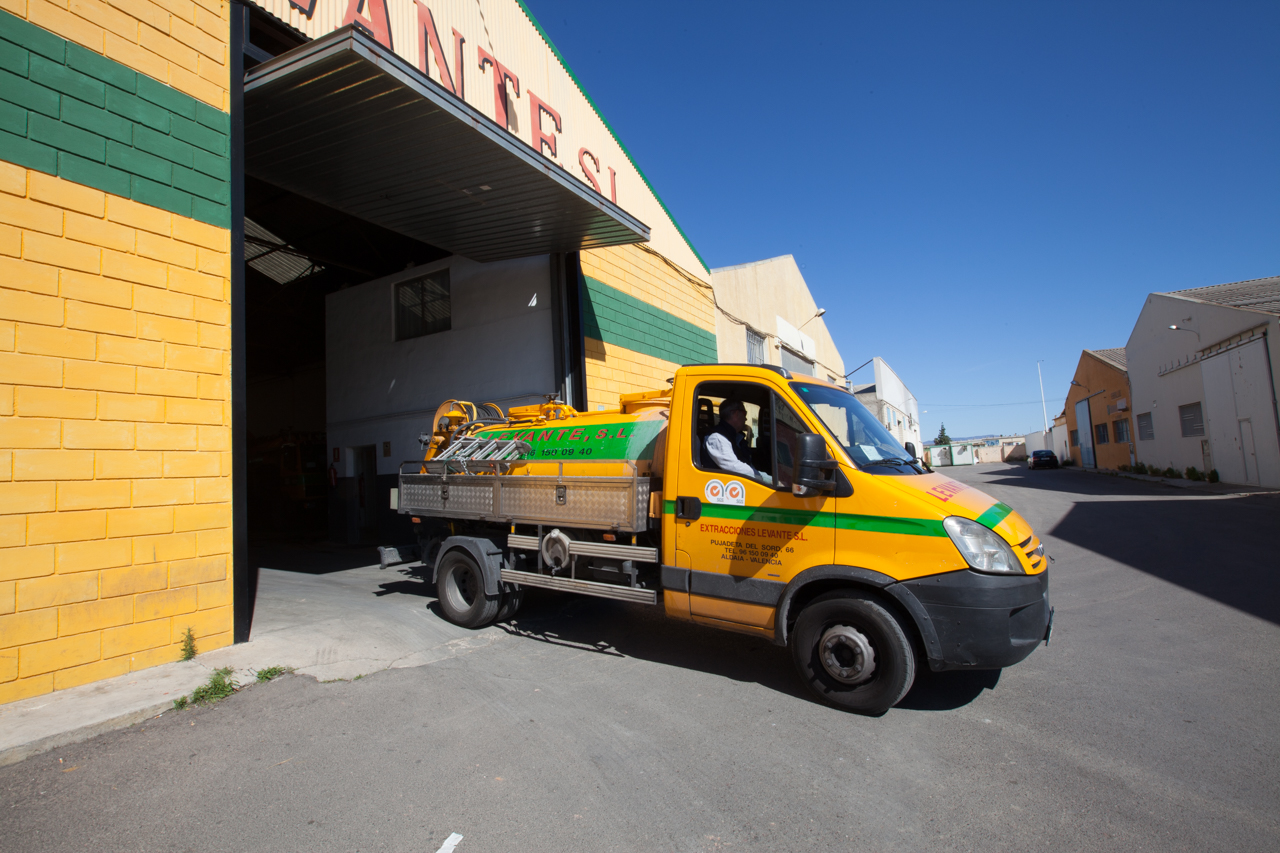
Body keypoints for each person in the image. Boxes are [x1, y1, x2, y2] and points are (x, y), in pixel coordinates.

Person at [702, 399, 762, 480]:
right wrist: (764, 479)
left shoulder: (735, 437)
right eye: (745, 414)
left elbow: (747, 463)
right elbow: (735, 467)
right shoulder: (717, 438)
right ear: (736, 414)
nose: (746, 419)